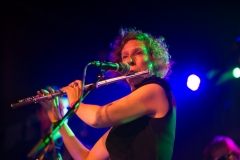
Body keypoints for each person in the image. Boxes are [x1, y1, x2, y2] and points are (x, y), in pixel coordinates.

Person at [38, 27, 177, 160]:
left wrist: (75, 101)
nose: (130, 61)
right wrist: (58, 120)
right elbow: (87, 158)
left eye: (138, 53)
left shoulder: (156, 90)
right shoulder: (123, 119)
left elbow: (97, 118)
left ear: (153, 60)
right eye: (125, 56)